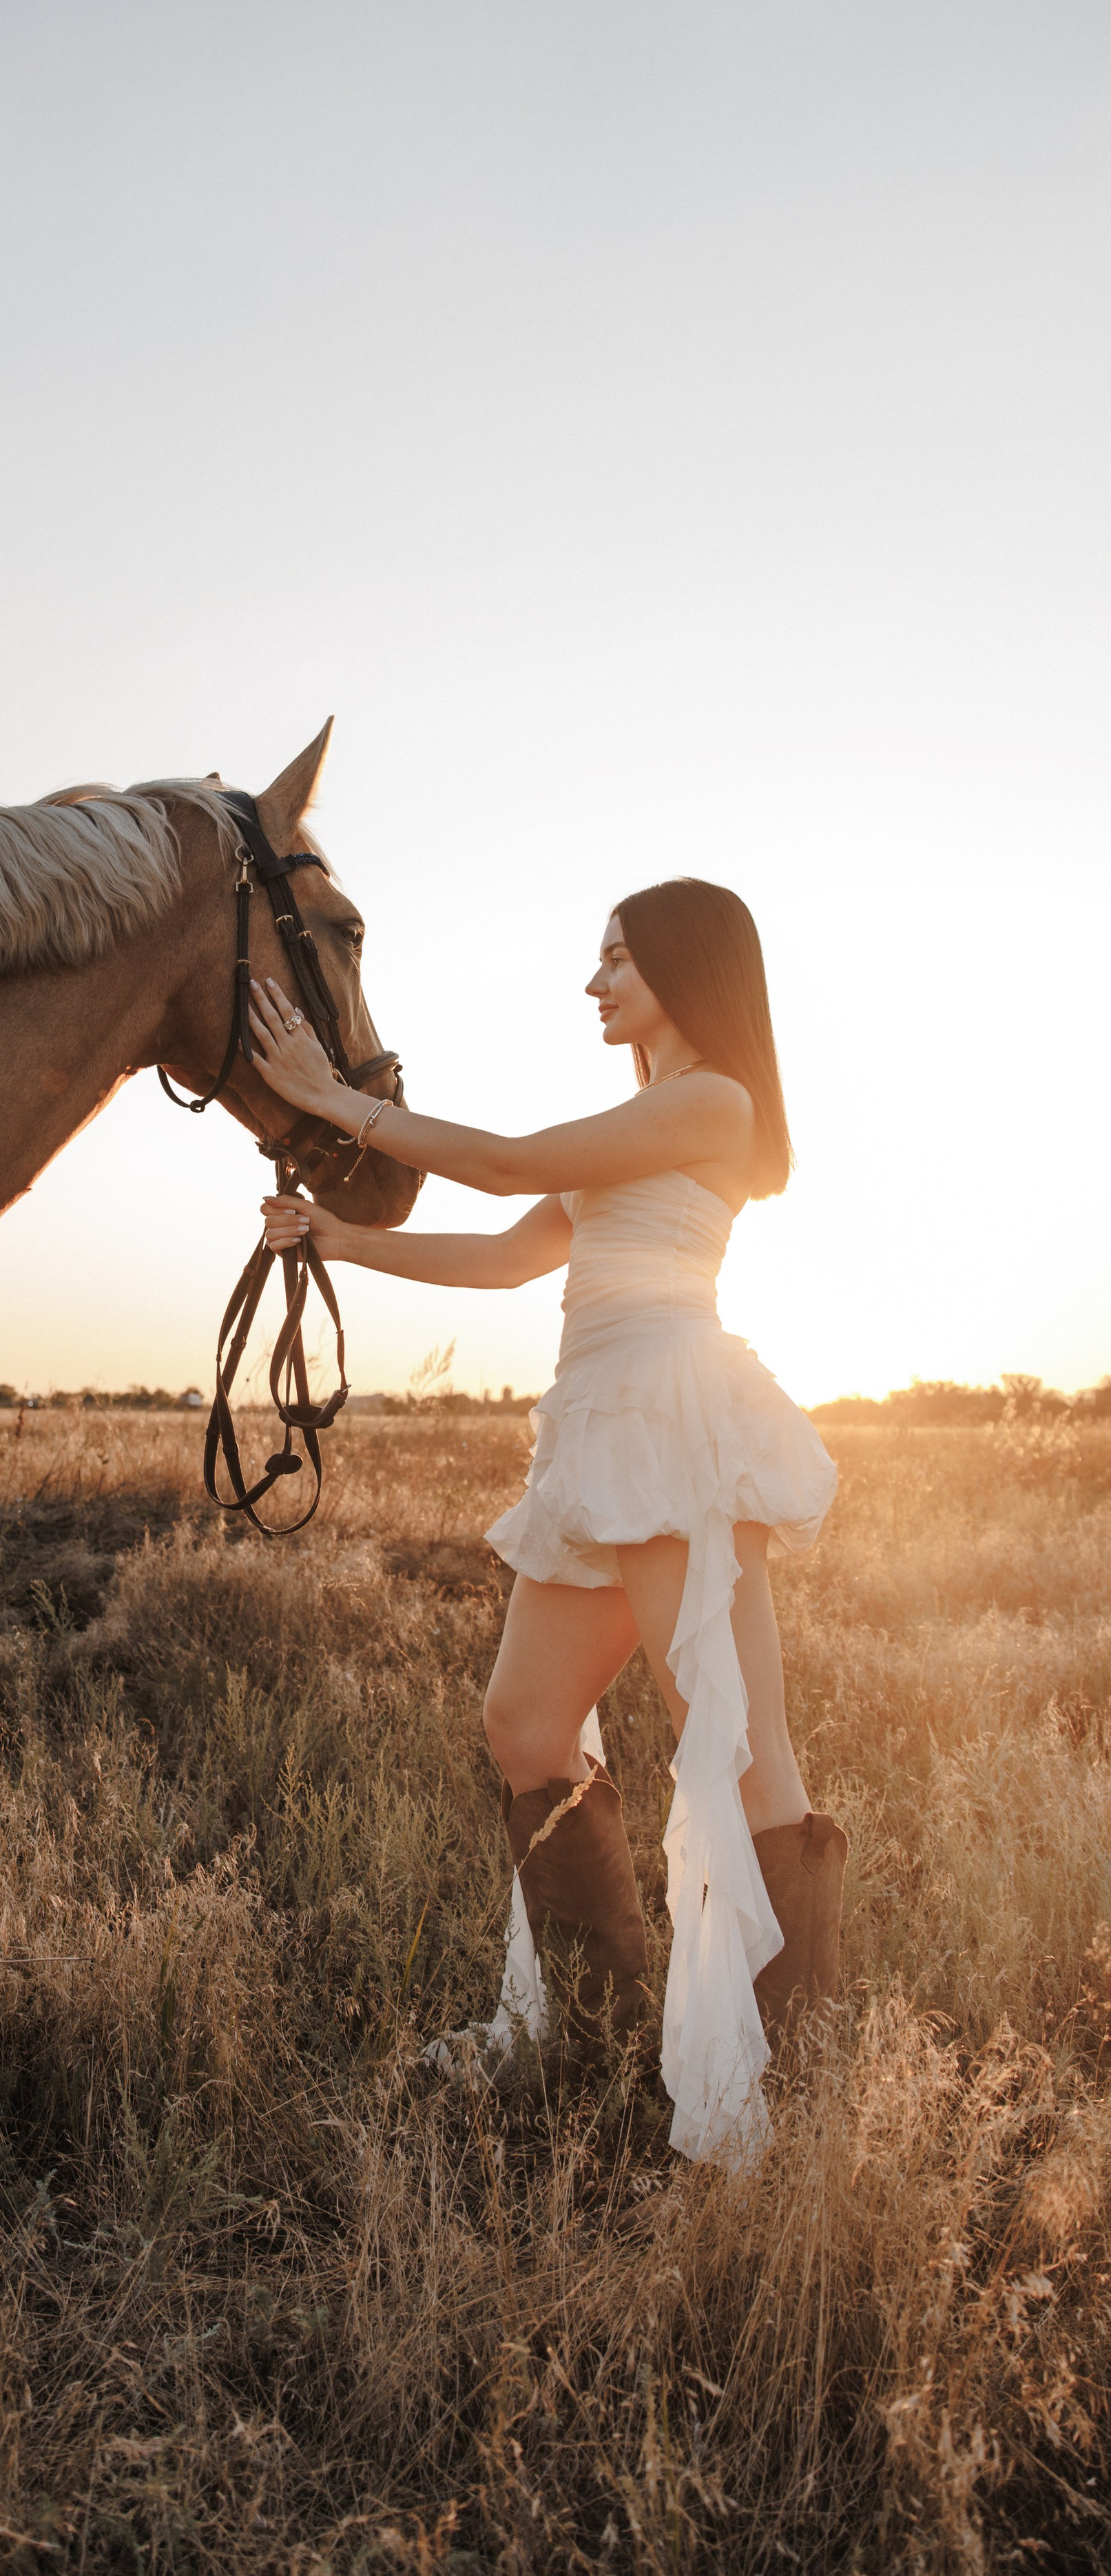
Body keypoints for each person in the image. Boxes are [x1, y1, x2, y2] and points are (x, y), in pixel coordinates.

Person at [251, 877, 842, 2163]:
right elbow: (514, 1252)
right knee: (524, 1724)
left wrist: (337, 1098)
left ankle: (790, 2090)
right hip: (597, 1426)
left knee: (738, 1751)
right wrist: (339, 1240)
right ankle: (599, 2033)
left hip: (670, 1421)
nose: (595, 983)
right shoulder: (639, 1120)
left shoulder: (715, 1103)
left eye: (620, 959)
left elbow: (512, 1159)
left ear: (689, 970)